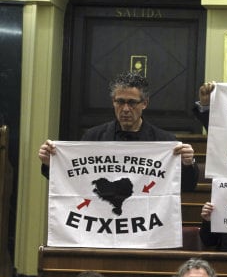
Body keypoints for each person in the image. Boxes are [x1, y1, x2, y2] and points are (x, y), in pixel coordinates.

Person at [38, 71, 199, 191]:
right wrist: (50, 163)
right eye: (120, 102)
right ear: (113, 102)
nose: (126, 109)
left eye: (132, 103)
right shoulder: (93, 137)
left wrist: (187, 164)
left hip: (145, 226)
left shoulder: (165, 141)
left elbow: (186, 187)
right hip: (102, 224)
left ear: (145, 103)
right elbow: (73, 181)